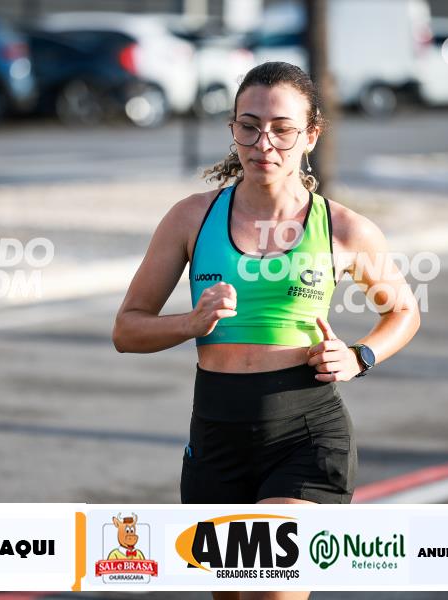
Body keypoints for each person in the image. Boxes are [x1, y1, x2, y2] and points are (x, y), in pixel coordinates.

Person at [113, 61, 420, 600]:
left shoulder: (343, 228)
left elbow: (403, 313)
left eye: (282, 129)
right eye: (249, 126)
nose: (264, 144)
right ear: (232, 129)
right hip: (216, 437)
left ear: (311, 135)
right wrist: (191, 323)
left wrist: (359, 357)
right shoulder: (191, 219)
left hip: (305, 438)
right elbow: (127, 329)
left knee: (270, 587)